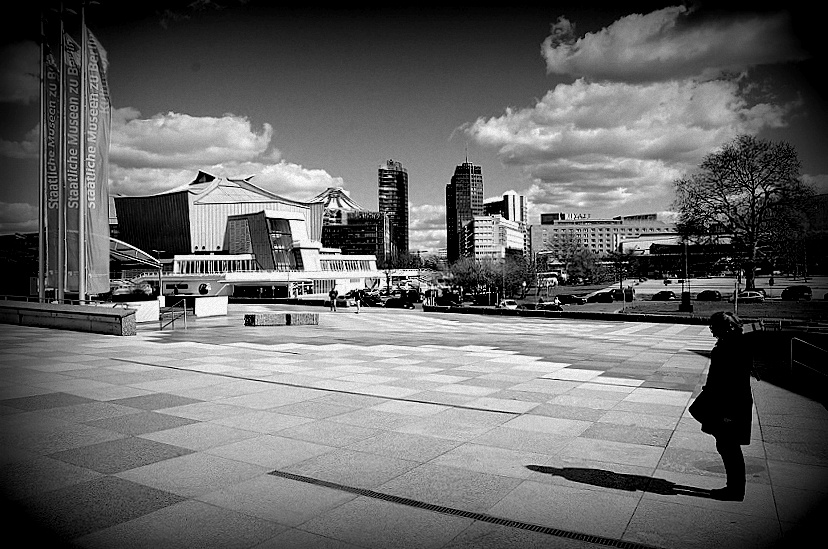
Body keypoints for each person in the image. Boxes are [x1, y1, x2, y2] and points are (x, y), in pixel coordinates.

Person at [695, 311, 756, 501]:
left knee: (729, 447)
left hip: (730, 405)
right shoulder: (732, 343)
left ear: (729, 327)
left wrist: (729, 414)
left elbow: (734, 382)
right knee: (726, 445)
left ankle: (735, 490)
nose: (713, 332)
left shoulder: (734, 346)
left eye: (715, 328)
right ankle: (734, 488)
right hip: (726, 403)